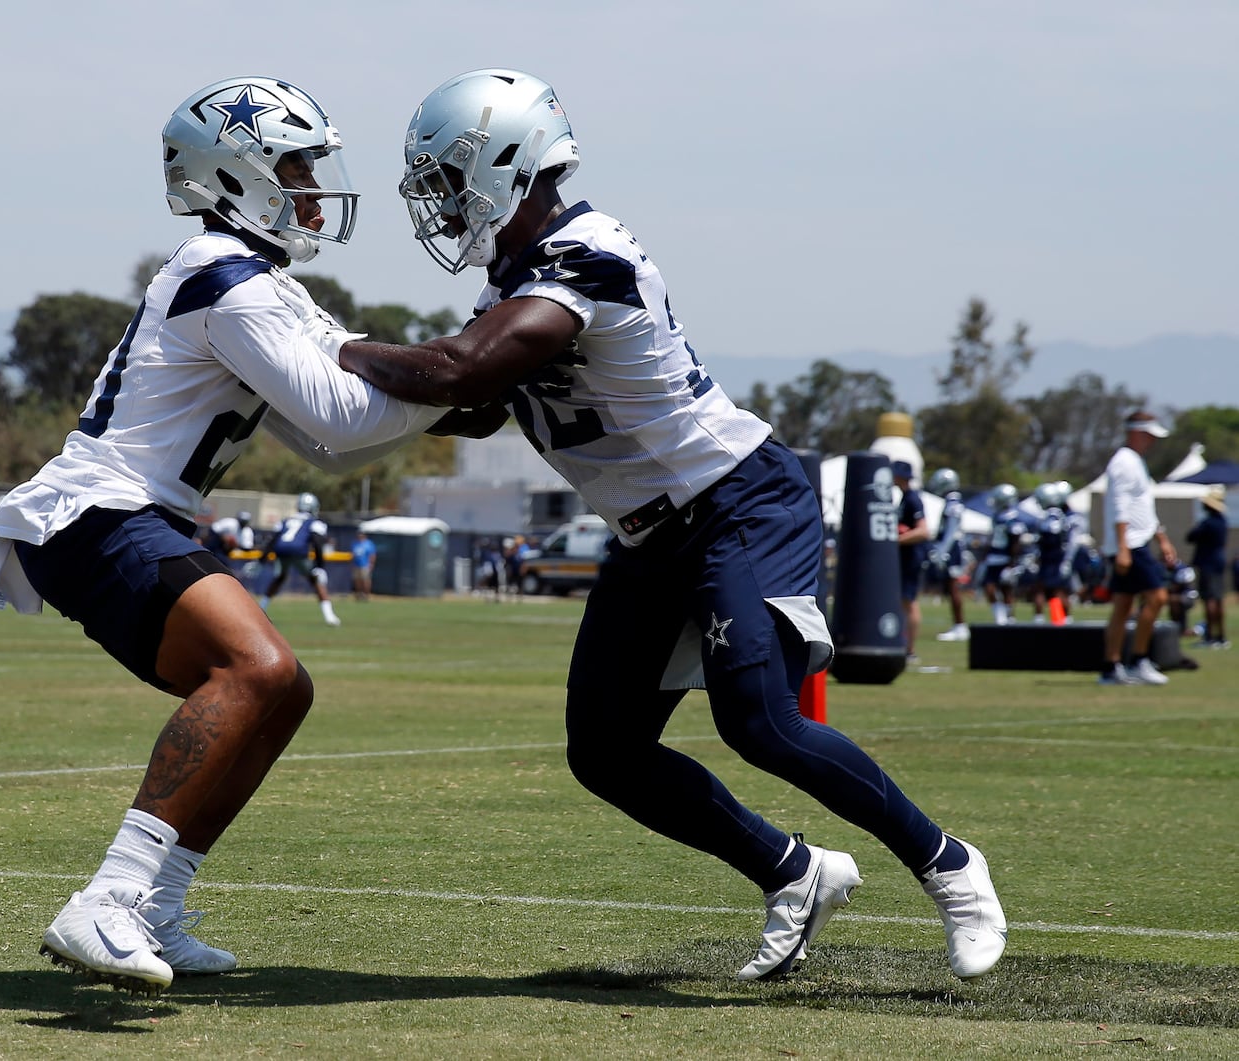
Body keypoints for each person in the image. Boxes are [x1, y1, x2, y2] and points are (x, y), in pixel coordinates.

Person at [336, 69, 1005, 982]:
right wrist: (311, 400)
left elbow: (461, 372)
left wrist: (323, 344)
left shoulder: (586, 253)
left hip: (738, 499)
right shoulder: (519, 274)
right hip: (652, 531)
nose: (445, 205)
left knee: (760, 722)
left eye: (451, 181)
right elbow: (478, 406)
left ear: (504, 163)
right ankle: (793, 872)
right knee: (605, 750)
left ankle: (950, 865)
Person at [0, 76, 451, 993]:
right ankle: (106, 898)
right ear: (238, 173)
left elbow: (322, 444)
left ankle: (155, 905)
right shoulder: (223, 274)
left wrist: (459, 390)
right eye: (296, 164)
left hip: (130, 515)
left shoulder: (258, 283)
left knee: (284, 690)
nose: (312, 185)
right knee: (255, 670)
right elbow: (343, 416)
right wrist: (463, 376)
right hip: (101, 509)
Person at [1098, 412, 1178, 685]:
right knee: (1157, 597)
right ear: (1136, 433)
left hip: (1136, 541)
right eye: (1149, 435)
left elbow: (1142, 507)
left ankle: (1112, 666)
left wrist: (1161, 538)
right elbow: (1119, 507)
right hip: (1130, 544)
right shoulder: (1124, 463)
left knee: (1123, 605)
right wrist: (1122, 547)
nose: (1153, 441)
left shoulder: (1136, 463)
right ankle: (1138, 660)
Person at [259, 492, 342, 626]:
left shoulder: (285, 520)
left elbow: (272, 541)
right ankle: (329, 616)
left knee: (279, 578)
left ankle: (261, 608)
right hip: (298, 551)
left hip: (281, 550)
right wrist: (320, 566)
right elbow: (316, 542)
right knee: (315, 580)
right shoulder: (315, 523)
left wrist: (260, 560)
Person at [926, 468, 971, 641]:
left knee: (953, 588)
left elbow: (951, 531)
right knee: (949, 588)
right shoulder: (950, 502)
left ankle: (960, 626)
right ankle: (958, 625)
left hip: (952, 549)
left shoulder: (953, 504)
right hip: (950, 548)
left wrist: (942, 551)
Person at [977, 484, 1028, 625]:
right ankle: (1000, 617)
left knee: (1006, 590)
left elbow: (1015, 543)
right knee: (989, 588)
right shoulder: (997, 516)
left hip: (1005, 559)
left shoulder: (1014, 519)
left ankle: (1009, 618)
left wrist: (1011, 565)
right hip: (993, 558)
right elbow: (992, 538)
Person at [892, 462, 928, 661]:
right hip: (905, 558)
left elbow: (923, 531)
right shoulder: (905, 498)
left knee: (910, 601)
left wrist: (897, 539)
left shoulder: (913, 499)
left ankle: (910, 650)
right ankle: (904, 644)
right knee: (903, 601)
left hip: (912, 558)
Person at [1028, 481, 1078, 623]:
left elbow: (1046, 539)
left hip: (1051, 559)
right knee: (1055, 592)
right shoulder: (1063, 517)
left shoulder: (1049, 519)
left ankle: (1052, 621)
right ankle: (1060, 621)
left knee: (1050, 592)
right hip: (1055, 558)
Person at [1185, 488, 1227, 648]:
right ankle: (1221, 636)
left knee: (1209, 599)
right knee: (1218, 599)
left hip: (1208, 563)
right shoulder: (1222, 521)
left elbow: (1190, 536)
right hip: (1218, 562)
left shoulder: (1208, 523)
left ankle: (1210, 636)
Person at [350, 528, 377, 601]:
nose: (359, 535)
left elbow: (372, 555)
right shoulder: (355, 543)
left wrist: (371, 564)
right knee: (357, 581)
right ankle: (358, 595)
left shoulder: (368, 544)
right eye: (359, 534)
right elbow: (353, 554)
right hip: (356, 565)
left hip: (365, 565)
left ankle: (366, 595)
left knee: (365, 581)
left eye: (361, 534)